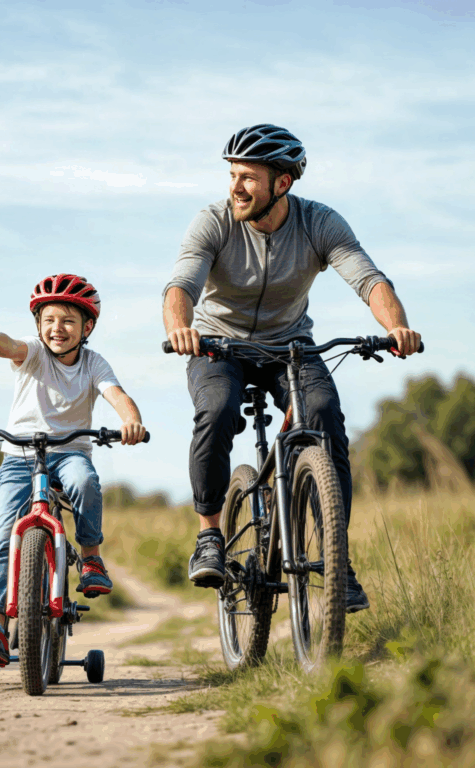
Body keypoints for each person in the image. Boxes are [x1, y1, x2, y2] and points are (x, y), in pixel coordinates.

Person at [162, 124, 421, 613]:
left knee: (323, 414)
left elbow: (367, 278)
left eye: (248, 178)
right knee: (216, 411)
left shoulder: (319, 222)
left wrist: (398, 327)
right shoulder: (212, 222)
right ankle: (210, 536)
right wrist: (181, 328)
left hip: (291, 347)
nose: (235, 187)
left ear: (282, 183)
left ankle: (336, 558)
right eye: (232, 175)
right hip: (218, 345)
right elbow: (181, 286)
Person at [0, 273, 147, 667]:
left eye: (67, 321)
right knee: (1, 535)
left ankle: (92, 558)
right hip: (20, 456)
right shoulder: (32, 352)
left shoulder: (94, 363)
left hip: (69, 451)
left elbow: (118, 396)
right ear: (38, 325)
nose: (56, 329)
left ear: (87, 327)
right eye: (48, 320)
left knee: (85, 481)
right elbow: (7, 345)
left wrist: (132, 421)